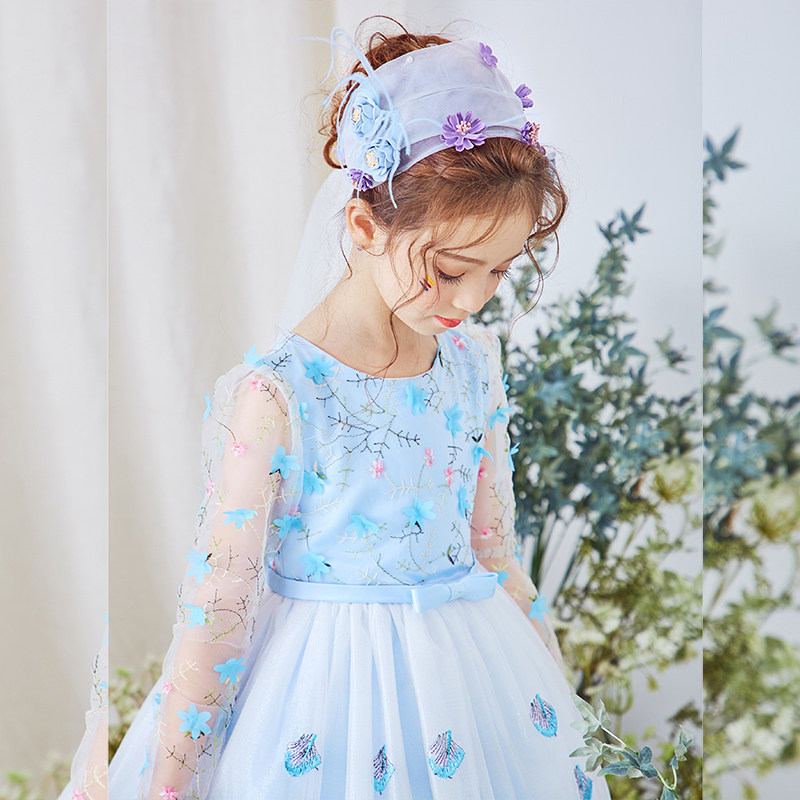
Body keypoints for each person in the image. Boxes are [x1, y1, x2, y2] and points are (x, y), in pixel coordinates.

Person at [107, 21, 611, 800]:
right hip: (322, 699)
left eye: (500, 272)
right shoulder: (278, 395)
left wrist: (555, 690)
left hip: (471, 681)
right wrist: (168, 786)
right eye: (450, 270)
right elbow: (220, 609)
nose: (474, 299)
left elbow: (493, 553)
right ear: (366, 225)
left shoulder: (472, 365)